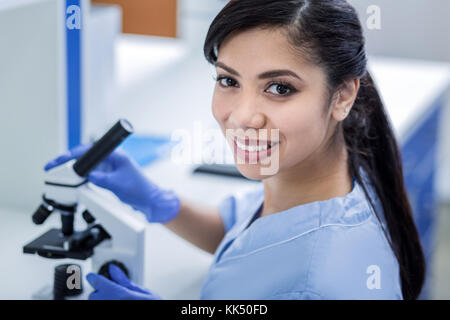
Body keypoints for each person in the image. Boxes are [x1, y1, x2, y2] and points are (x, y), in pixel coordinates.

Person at [45, 0, 425, 300]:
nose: (243, 117)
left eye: (279, 88)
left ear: (342, 95)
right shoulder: (309, 176)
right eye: (228, 79)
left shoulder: (326, 282)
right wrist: (158, 201)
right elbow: (246, 240)